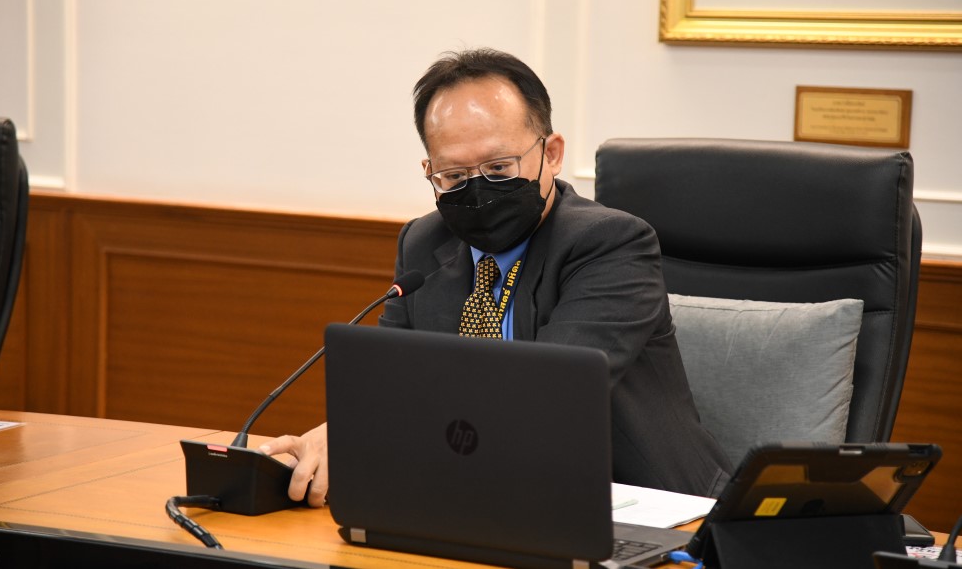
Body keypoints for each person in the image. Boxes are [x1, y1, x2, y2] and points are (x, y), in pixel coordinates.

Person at [259, 48, 732, 507]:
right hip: (484, 496)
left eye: (499, 168)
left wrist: (369, 430)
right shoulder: (423, 244)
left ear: (551, 154)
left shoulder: (610, 243)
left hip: (645, 506)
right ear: (429, 172)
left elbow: (545, 396)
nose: (479, 190)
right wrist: (343, 433)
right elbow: (393, 383)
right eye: (454, 176)